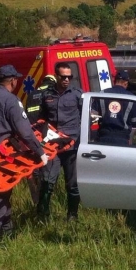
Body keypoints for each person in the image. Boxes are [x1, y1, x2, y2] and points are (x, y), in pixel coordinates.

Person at [0, 64, 49, 237]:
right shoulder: (11, 100)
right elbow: (25, 131)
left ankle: (7, 230)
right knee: (0, 195)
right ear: (13, 81)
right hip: (2, 156)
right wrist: (40, 152)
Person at [36, 63, 83, 221]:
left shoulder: (77, 94)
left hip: (71, 146)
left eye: (69, 77)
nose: (67, 80)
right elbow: (41, 119)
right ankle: (43, 215)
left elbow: (87, 115)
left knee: (72, 183)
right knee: (48, 181)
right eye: (63, 77)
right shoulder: (47, 95)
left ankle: (72, 215)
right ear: (56, 76)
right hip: (52, 146)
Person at [24, 74, 56, 205]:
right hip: (46, 134)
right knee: (47, 166)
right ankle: (44, 201)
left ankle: (36, 198)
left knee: (35, 165)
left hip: (32, 135)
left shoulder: (32, 94)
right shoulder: (50, 93)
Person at [97, 71, 136, 145]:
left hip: (103, 137)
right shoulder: (132, 98)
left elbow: (92, 114)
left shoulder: (102, 94)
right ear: (126, 83)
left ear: (114, 81)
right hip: (122, 140)